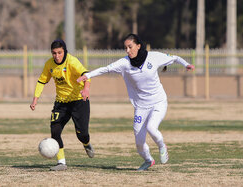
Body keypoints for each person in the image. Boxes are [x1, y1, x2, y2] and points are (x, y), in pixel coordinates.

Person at [77, 33, 195, 171]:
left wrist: (186, 64)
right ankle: (148, 160)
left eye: (130, 47)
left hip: (158, 102)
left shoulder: (153, 57)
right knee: (139, 143)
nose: (127, 50)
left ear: (138, 46)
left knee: (152, 127)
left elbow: (175, 58)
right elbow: (106, 69)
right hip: (140, 106)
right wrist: (88, 75)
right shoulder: (125, 63)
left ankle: (162, 146)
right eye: (125, 48)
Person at [30, 39, 94, 171]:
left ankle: (86, 143)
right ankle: (61, 163)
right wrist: (35, 99)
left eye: (59, 53)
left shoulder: (72, 61)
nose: (57, 56)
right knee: (55, 130)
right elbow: (42, 81)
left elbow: (86, 75)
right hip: (61, 103)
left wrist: (86, 89)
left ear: (64, 51)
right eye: (54, 53)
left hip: (79, 101)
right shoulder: (49, 64)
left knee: (82, 134)